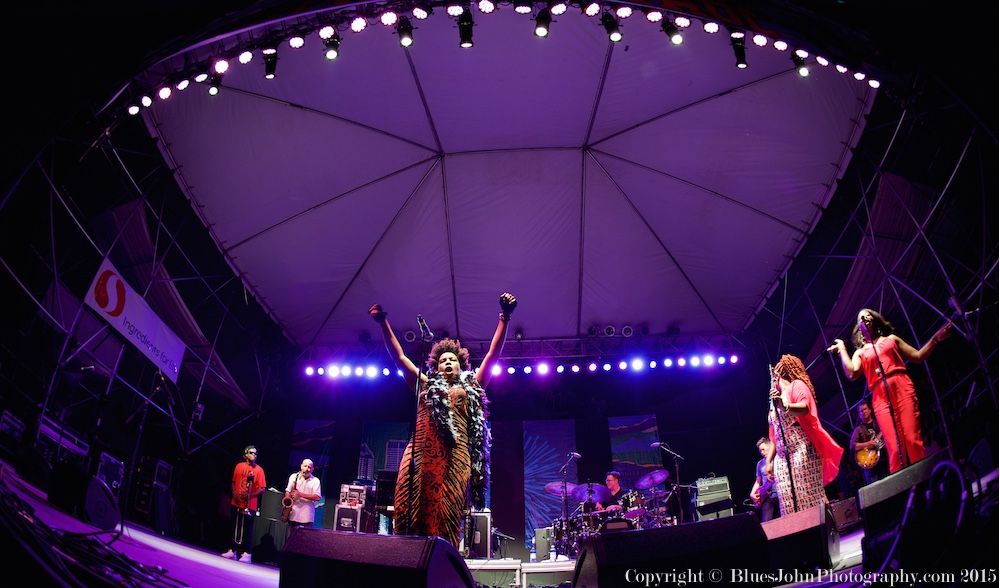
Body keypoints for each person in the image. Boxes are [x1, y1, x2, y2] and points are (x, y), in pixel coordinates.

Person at [369, 292, 516, 547]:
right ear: (436, 367)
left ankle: (440, 564)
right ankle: (407, 560)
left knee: (446, 510)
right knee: (408, 506)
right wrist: (383, 323)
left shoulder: (474, 384)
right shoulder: (425, 385)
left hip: (455, 455)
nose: (448, 362)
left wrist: (505, 318)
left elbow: (492, 355)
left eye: (453, 360)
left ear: (461, 365)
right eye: (443, 360)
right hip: (420, 452)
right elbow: (400, 358)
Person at [828, 309, 952, 474]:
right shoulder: (860, 352)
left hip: (901, 387)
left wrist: (935, 339)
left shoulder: (891, 340)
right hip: (879, 396)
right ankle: (904, 491)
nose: (864, 318)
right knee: (894, 447)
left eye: (868, 315)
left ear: (875, 319)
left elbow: (917, 355)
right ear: (858, 328)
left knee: (911, 438)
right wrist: (843, 349)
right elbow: (851, 373)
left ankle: (924, 481)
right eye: (860, 318)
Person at [765, 355, 844, 516]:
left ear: (780, 374)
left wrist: (784, 405)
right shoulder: (774, 401)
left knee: (806, 494)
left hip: (801, 446)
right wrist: (768, 462)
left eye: (775, 375)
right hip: (782, 455)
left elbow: (804, 407)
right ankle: (798, 534)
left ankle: (822, 528)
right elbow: (774, 436)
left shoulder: (796, 385)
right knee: (786, 497)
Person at [221, 445, 266, 562]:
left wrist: (249, 495)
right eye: (251, 453)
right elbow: (233, 482)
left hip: (250, 504)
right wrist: (234, 493)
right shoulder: (239, 466)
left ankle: (247, 553)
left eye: (256, 454)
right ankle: (232, 550)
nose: (254, 455)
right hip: (236, 501)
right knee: (234, 526)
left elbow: (262, 488)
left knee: (247, 529)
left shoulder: (259, 470)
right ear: (245, 454)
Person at [849, 400, 889, 485]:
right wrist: (867, 444)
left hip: (883, 459)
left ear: (870, 410)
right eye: (861, 411)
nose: (863, 412)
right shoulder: (858, 429)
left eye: (865, 409)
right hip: (869, 463)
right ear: (859, 415)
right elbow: (852, 445)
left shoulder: (878, 423)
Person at [284, 458, 322, 537]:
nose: (307, 469)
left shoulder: (315, 481)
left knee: (303, 544)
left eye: (309, 467)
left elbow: (317, 497)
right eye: (305, 466)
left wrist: (300, 494)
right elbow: (288, 490)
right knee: (290, 541)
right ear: (301, 466)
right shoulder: (294, 477)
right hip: (293, 515)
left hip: (306, 517)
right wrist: (287, 505)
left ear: (312, 469)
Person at [749, 437, 779, 522]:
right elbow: (758, 481)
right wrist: (752, 493)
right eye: (760, 451)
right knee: (766, 522)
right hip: (766, 497)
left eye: (763, 449)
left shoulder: (778, 458)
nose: (762, 452)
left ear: (770, 447)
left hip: (779, 494)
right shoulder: (760, 463)